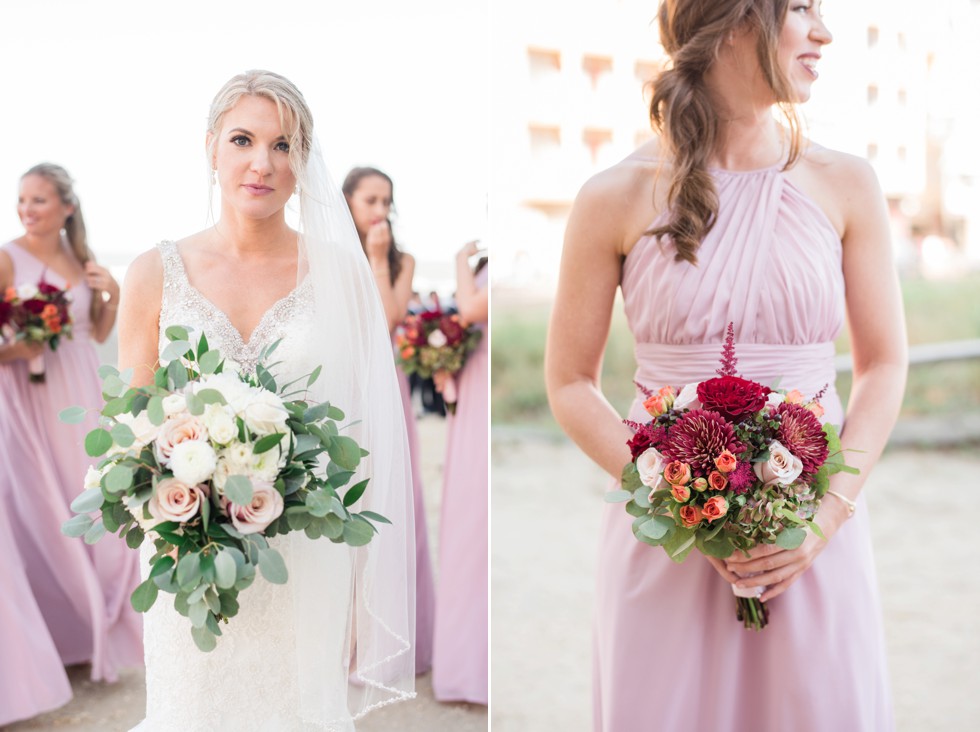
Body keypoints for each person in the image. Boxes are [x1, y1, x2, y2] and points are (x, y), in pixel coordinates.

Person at [545, 3, 907, 731]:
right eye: (801, 8)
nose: (825, 32)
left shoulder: (847, 183)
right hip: (667, 540)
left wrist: (823, 521)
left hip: (808, 534)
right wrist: (674, 501)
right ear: (737, 21)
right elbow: (569, 383)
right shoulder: (611, 195)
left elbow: (885, 363)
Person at [118, 70, 415, 729]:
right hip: (185, 542)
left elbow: (362, 428)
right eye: (244, 139)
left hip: (304, 550)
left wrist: (361, 573)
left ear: (303, 161)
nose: (262, 162)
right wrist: (172, 507)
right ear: (211, 147)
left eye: (284, 145)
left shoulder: (342, 275)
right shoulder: (151, 272)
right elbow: (130, 419)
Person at [0, 163, 143, 716]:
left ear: (65, 206)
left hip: (81, 393)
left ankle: (97, 629)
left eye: (38, 200)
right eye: (21, 200)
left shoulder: (82, 259)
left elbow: (101, 333)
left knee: (96, 508)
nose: (26, 209)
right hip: (28, 398)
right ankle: (56, 640)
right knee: (40, 511)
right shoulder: (8, 256)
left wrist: (112, 294)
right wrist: (20, 348)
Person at [342, 165, 436, 674]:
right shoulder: (324, 254)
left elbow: (390, 319)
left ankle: (382, 637)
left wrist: (378, 259)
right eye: (370, 200)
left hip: (385, 386)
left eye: (386, 202)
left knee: (389, 498)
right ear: (348, 202)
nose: (379, 211)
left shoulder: (402, 260)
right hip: (340, 382)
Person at [431, 241, 489, 704]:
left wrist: (458, 262)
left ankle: (476, 670)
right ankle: (463, 665)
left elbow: (470, 309)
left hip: (483, 396)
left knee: (478, 519)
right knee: (468, 523)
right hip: (472, 390)